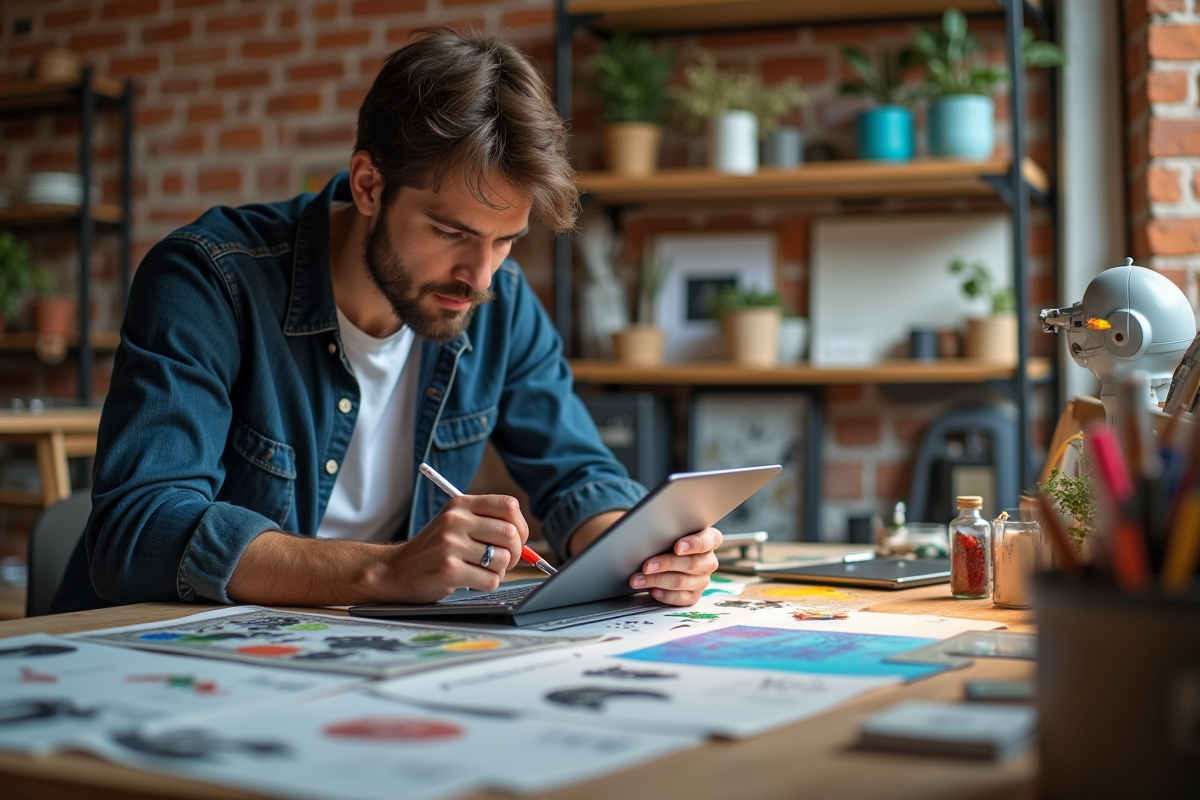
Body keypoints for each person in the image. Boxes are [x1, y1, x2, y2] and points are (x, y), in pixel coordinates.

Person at [50, 28, 723, 613]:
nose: (481, 277)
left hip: (337, 653)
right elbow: (139, 530)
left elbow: (579, 477)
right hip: (141, 654)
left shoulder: (501, 303)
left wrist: (641, 554)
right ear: (369, 185)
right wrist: (385, 570)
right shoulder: (208, 280)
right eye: (451, 232)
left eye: (506, 241)